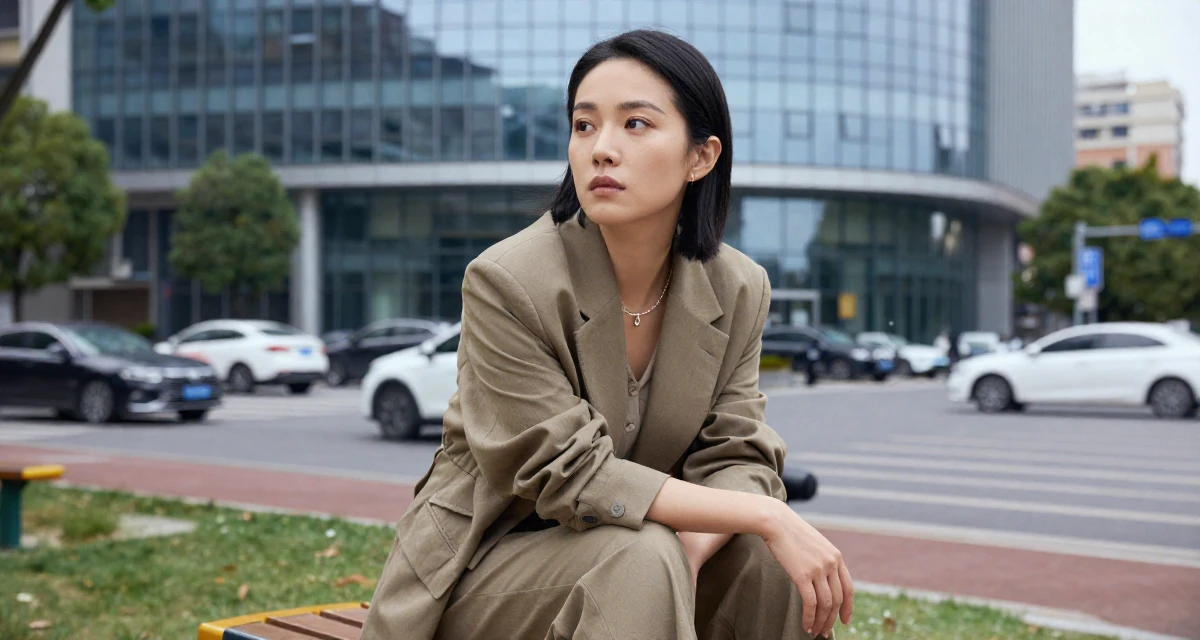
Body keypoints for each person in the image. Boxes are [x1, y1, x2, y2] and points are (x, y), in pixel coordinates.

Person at [362, 30, 853, 640]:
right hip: (485, 573)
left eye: (636, 124)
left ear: (700, 157)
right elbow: (570, 474)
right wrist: (762, 512)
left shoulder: (737, 287)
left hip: (638, 561)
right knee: (649, 554)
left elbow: (738, 452)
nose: (601, 149)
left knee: (762, 561)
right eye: (585, 126)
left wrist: (693, 553)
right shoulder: (508, 281)